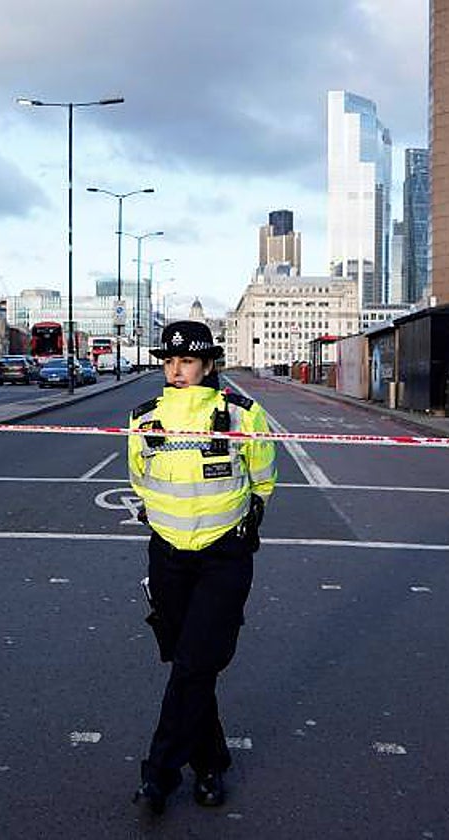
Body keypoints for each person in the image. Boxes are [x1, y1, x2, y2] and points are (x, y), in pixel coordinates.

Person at [128, 320, 277, 815]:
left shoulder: (242, 415)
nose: (176, 371)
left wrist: (244, 520)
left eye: (186, 361)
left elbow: (263, 478)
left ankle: (159, 774)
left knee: (196, 664)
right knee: (188, 666)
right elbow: (140, 480)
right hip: (167, 555)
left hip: (222, 557)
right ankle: (211, 764)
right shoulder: (145, 417)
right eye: (169, 362)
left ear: (209, 364)